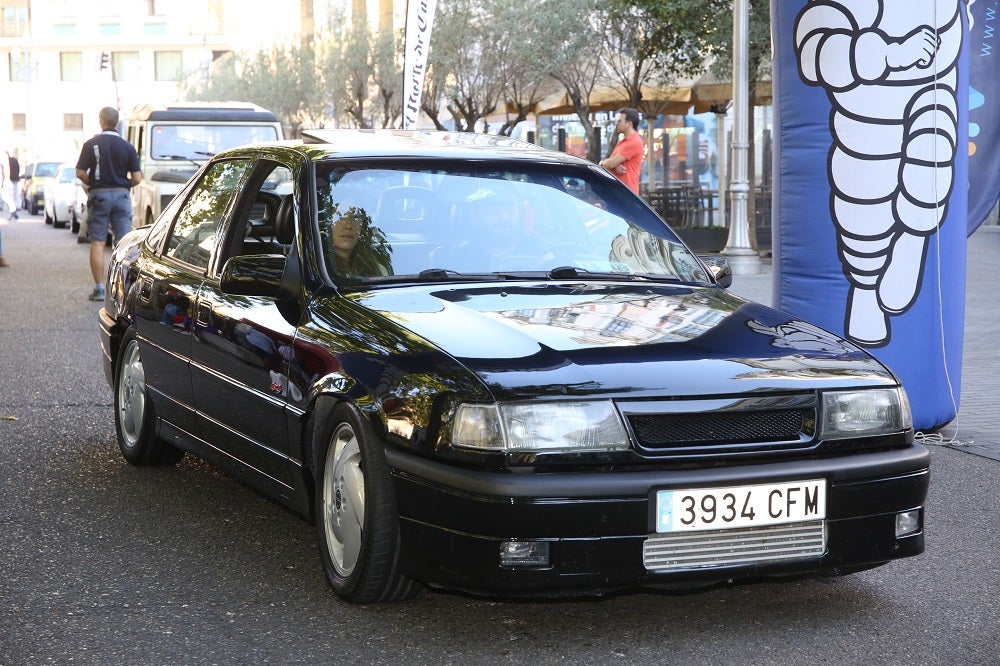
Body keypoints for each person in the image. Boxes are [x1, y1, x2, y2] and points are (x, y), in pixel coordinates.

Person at [75, 106, 142, 301]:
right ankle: (122, 290)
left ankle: (99, 289)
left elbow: (80, 172)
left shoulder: (91, 144)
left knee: (98, 241)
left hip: (99, 196)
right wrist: (122, 186)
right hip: (122, 197)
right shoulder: (127, 147)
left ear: (101, 121)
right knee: (124, 245)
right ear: (116, 122)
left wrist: (94, 184)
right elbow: (137, 178)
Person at [599, 107, 643, 193]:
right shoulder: (622, 142)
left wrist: (611, 164)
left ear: (629, 124)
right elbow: (609, 164)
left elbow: (610, 164)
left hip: (627, 193)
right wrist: (612, 165)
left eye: (619, 121)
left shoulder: (634, 141)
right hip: (618, 191)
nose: (616, 123)